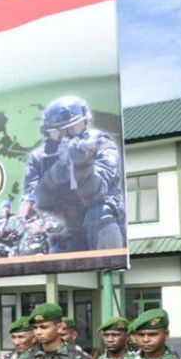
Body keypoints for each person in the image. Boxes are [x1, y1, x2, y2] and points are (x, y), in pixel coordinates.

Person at [22, 95, 124, 252]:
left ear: (85, 122)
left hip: (98, 226)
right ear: (49, 133)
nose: (68, 137)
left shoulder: (100, 143)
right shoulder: (38, 158)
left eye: (74, 128)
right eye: (59, 133)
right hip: (62, 228)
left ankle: (108, 262)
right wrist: (56, 173)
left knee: (100, 214)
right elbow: (34, 202)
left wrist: (82, 166)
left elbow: (98, 192)